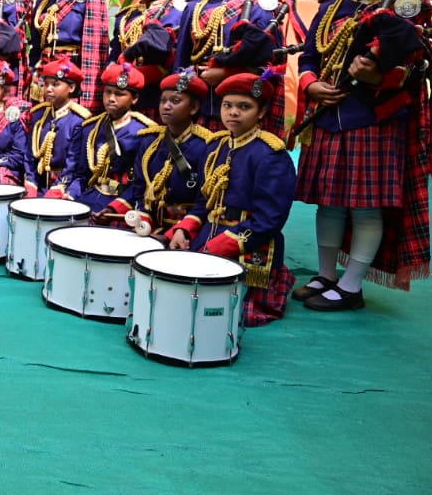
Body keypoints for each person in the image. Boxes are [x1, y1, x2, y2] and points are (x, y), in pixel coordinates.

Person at [293, 0, 432, 311]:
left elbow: (425, 66)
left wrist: (381, 77)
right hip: (328, 117)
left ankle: (351, 285)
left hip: (375, 120)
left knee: (364, 207)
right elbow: (308, 57)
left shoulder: (407, 6)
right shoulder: (330, 6)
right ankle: (326, 274)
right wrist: (312, 87)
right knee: (330, 202)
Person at [168, 69, 295, 326]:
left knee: (229, 313)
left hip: (249, 243)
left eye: (244, 106)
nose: (233, 112)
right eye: (227, 105)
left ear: (261, 112)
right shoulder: (216, 146)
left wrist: (223, 244)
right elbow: (205, 200)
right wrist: (185, 228)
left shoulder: (271, 154)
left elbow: (270, 220)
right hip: (210, 234)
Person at [174, 0, 287, 134]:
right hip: (199, 103)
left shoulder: (260, 5)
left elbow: (270, 62)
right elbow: (181, 58)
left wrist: (226, 73)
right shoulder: (196, 6)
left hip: (243, 105)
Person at [102, 69, 212, 237]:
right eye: (163, 101)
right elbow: (140, 188)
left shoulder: (207, 145)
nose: (166, 106)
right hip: (151, 224)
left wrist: (180, 231)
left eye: (175, 101)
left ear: (194, 107)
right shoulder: (150, 141)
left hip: (186, 230)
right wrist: (143, 219)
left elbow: (205, 201)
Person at [27, 0, 110, 112]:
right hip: (45, 67)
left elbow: (95, 43)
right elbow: (36, 44)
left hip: (73, 67)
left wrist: (87, 80)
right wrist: (32, 70)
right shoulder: (43, 0)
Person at [62, 63, 154, 214]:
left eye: (119, 94)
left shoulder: (144, 132)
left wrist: (116, 207)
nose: (111, 98)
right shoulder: (91, 128)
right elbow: (82, 174)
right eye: (108, 92)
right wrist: (71, 194)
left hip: (122, 201)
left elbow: (141, 183)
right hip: (91, 195)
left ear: (135, 98)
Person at [111, 0, 180, 115]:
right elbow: (115, 51)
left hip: (156, 91)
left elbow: (174, 57)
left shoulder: (175, 15)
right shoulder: (125, 16)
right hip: (123, 89)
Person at [23, 58, 90, 196]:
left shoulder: (79, 120)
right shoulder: (38, 115)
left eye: (55, 84)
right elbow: (30, 155)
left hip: (66, 185)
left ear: (71, 88)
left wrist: (59, 187)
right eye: (46, 84)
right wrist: (31, 182)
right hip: (40, 183)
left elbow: (73, 164)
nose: (48, 89)